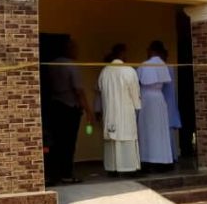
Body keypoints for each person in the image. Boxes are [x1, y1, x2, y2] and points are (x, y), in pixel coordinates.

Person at [46, 38, 93, 184]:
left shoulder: (51, 65)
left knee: (55, 142)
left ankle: (53, 174)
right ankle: (66, 174)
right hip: (69, 108)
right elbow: (79, 90)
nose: (77, 51)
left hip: (54, 106)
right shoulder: (71, 66)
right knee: (68, 142)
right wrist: (88, 111)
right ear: (69, 49)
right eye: (75, 48)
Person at [96, 43, 142, 176]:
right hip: (125, 111)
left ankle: (112, 168)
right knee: (125, 136)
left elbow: (100, 89)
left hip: (110, 111)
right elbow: (135, 92)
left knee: (112, 139)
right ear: (122, 54)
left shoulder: (104, 71)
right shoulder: (128, 70)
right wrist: (137, 106)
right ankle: (128, 168)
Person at [137, 40, 174, 171]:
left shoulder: (144, 65)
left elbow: (138, 81)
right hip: (159, 98)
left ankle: (148, 160)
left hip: (147, 99)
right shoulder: (163, 64)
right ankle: (162, 160)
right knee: (160, 130)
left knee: (148, 130)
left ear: (152, 50)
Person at [160, 49, 183, 160]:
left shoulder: (166, 68)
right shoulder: (170, 68)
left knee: (167, 132)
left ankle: (170, 157)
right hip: (169, 101)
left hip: (165, 101)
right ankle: (172, 156)